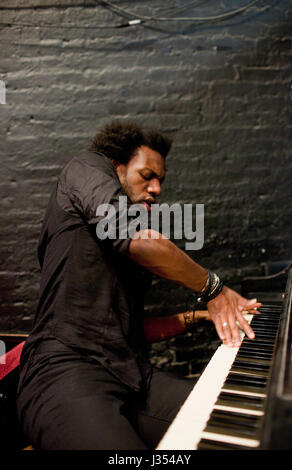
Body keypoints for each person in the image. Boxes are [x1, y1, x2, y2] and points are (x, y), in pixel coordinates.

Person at [16, 121, 261, 450]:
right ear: (116, 167)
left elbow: (125, 329)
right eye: (147, 176)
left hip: (134, 378)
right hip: (66, 371)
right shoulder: (87, 167)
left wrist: (198, 317)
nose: (157, 189)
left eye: (161, 180)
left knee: (245, 424)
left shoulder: (131, 231)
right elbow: (139, 240)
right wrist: (214, 290)